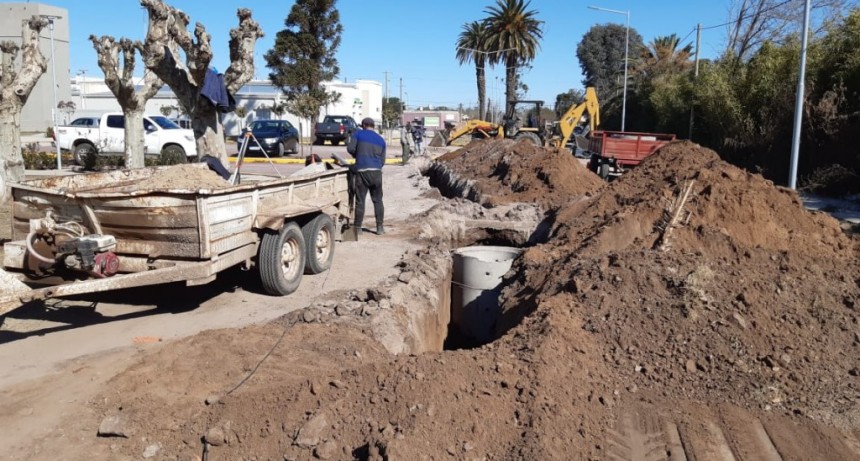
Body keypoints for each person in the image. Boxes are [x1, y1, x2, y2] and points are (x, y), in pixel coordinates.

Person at [346, 117, 386, 238]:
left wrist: (357, 155)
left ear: (363, 125)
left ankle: (357, 228)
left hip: (362, 171)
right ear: (373, 126)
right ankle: (380, 227)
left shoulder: (358, 134)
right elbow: (382, 160)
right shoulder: (381, 140)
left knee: (360, 200)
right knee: (378, 200)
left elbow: (350, 148)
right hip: (377, 172)